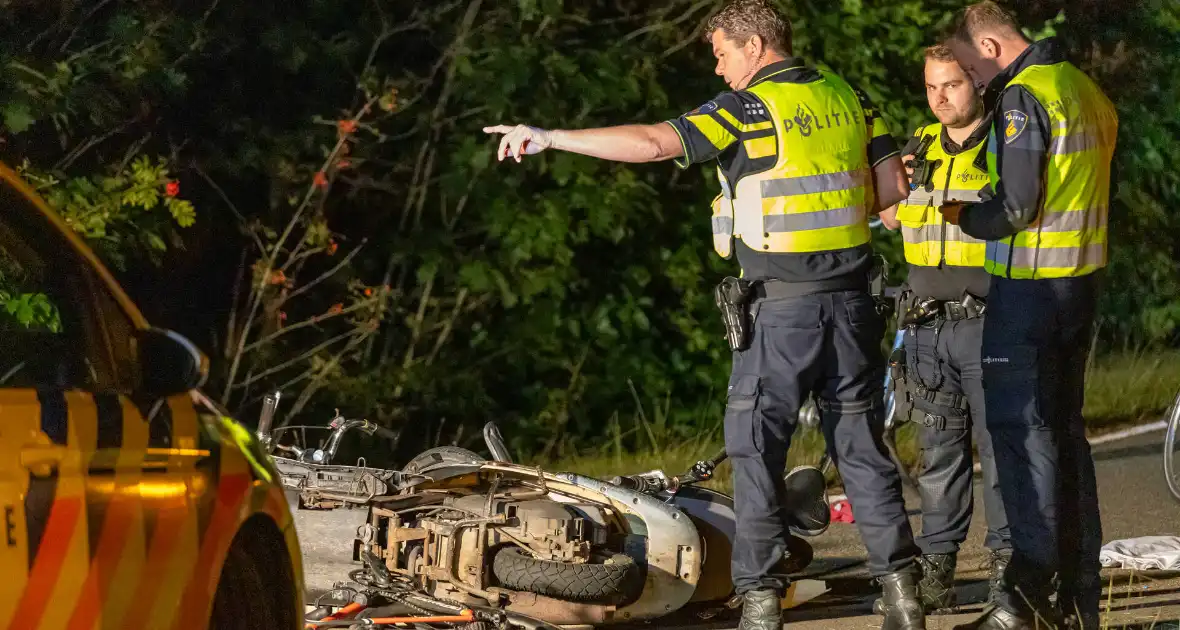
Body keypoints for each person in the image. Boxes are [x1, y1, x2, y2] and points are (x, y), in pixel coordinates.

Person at [484, 2, 927, 628]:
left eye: (721, 51)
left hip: (781, 310)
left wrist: (551, 137)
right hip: (853, 304)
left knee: (754, 448)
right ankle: (903, 595)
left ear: (753, 45)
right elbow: (891, 193)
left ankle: (760, 599)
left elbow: (654, 142)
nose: (719, 68)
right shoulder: (849, 97)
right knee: (860, 446)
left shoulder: (747, 109)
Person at [937, 3, 1118, 628]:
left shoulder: (1023, 97)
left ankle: (1026, 599)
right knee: (1066, 437)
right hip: (1080, 285)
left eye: (969, 66)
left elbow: (1016, 207)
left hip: (1031, 290)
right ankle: (1079, 595)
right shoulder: (1081, 87)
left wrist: (965, 215)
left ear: (990, 44)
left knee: (1020, 438)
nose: (974, 80)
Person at [878, 44, 1012, 614]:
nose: (940, 98)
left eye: (951, 85)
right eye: (931, 87)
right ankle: (937, 570)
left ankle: (1011, 565)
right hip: (928, 329)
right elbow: (887, 216)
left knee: (1002, 451)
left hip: (990, 322)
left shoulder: (1006, 142)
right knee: (939, 454)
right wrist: (888, 181)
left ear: (977, 83)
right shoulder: (919, 147)